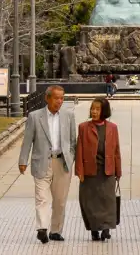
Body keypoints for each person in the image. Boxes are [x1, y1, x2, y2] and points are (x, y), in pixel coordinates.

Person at [18, 86, 77, 244]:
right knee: (42, 198)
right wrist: (23, 160)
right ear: (47, 98)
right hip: (42, 162)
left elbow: (73, 141)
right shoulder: (35, 116)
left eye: (62, 98)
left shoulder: (69, 115)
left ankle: (56, 231)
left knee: (60, 200)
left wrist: (71, 157)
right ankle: (42, 228)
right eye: (56, 98)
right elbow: (27, 140)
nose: (59, 101)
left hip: (62, 162)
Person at [75, 98, 122, 242]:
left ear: (104, 111)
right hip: (90, 171)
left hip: (107, 170)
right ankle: (94, 229)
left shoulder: (112, 127)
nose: (94, 112)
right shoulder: (83, 127)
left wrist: (118, 171)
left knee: (107, 201)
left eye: (97, 109)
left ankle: (106, 229)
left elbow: (116, 150)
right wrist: (79, 171)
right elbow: (79, 150)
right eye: (92, 109)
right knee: (90, 201)